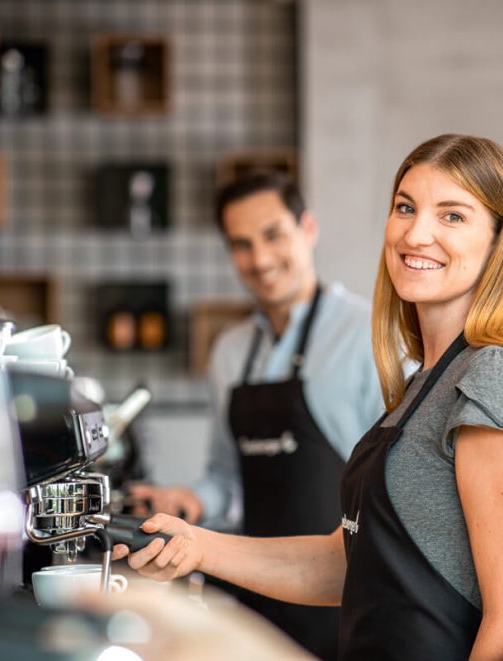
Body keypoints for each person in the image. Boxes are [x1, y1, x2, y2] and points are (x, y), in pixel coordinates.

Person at [113, 134, 503, 659]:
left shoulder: (497, 375)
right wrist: (196, 544)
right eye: (405, 208)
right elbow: (347, 562)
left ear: (500, 242)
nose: (416, 232)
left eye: (452, 216)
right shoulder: (425, 384)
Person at [129, 172, 385, 659]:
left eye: (273, 236)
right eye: (241, 245)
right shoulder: (229, 352)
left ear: (307, 228)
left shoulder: (370, 337)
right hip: (257, 604)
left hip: (347, 605)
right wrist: (190, 501)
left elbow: (394, 492)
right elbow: (226, 477)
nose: (261, 260)